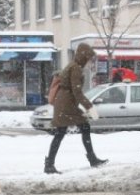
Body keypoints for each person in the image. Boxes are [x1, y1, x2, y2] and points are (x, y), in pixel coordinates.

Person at [44, 42, 107, 174]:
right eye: (89, 58)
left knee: (64, 132)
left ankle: (50, 164)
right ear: (84, 57)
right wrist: (89, 107)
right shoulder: (76, 68)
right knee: (74, 129)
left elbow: (74, 91)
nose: (90, 62)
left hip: (65, 102)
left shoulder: (73, 65)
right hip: (66, 104)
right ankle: (91, 159)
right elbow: (77, 91)